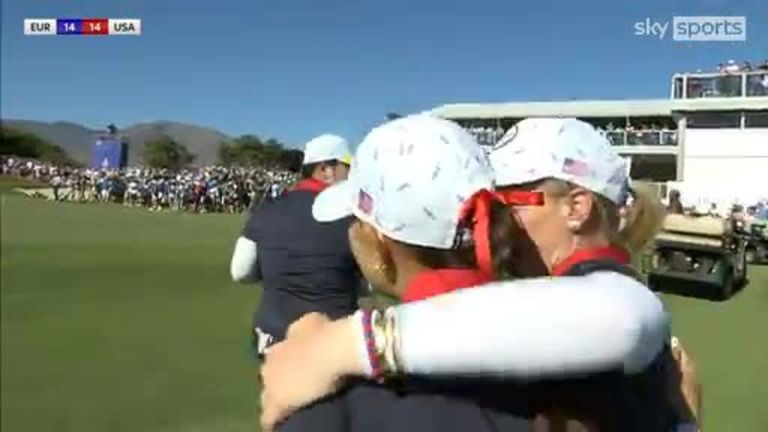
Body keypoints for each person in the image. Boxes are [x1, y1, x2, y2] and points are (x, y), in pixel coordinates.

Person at [260, 118, 701, 431]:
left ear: (578, 207)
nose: (491, 218)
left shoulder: (593, 325)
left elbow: (622, 316)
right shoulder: (532, 329)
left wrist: (351, 343)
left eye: (508, 200)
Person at [230, 133, 359, 431]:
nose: (348, 176)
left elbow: (240, 271)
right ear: (326, 169)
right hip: (333, 340)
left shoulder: (267, 209)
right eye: (345, 167)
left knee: (279, 414)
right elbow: (366, 280)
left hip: (271, 336)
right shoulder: (350, 216)